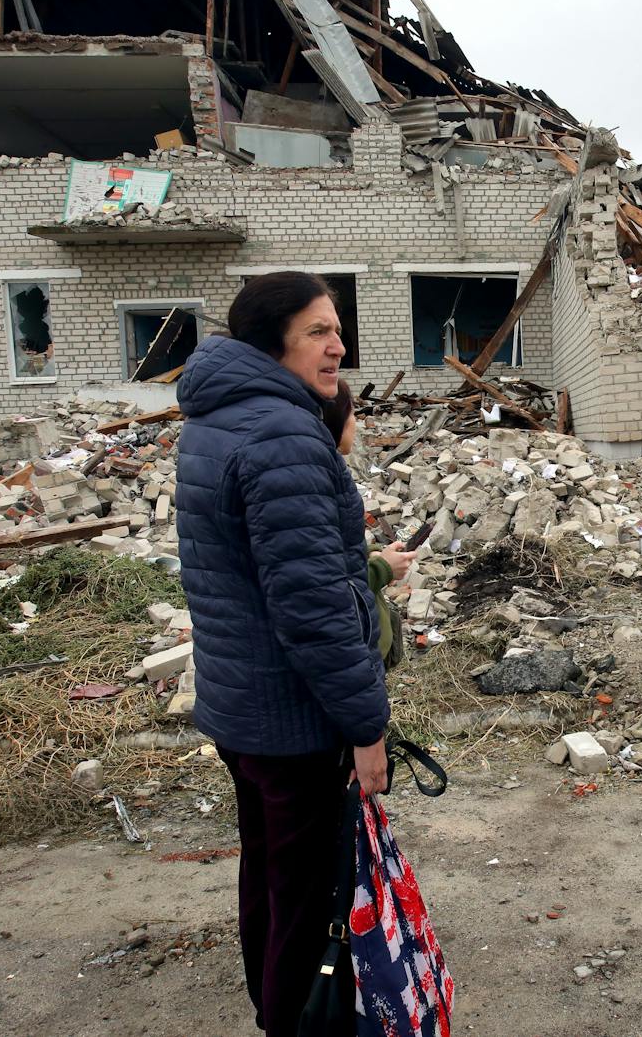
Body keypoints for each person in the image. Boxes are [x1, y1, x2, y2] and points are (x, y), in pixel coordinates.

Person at [174, 271, 388, 1035]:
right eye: (318, 333)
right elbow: (313, 608)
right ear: (273, 343)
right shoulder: (281, 432)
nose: (339, 347)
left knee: (269, 877)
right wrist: (366, 727)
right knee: (306, 899)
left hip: (244, 708)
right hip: (295, 719)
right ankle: (296, 1022)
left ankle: (275, 1010)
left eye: (336, 330)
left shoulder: (217, 418)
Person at [319, 380, 418, 669]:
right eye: (352, 415)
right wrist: (382, 568)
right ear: (335, 420)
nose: (356, 424)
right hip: (353, 655)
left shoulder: (328, 474)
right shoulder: (313, 484)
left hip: (365, 646)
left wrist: (369, 553)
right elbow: (325, 582)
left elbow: (337, 552)